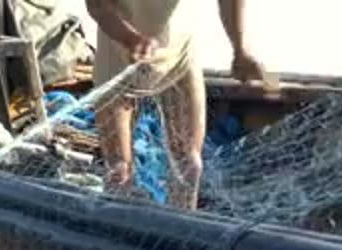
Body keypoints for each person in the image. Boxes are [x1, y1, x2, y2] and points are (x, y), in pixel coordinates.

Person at [84, 0, 267, 209]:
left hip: (180, 54)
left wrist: (240, 49)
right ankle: (118, 230)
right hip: (119, 53)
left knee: (188, 165)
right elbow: (97, 6)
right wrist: (130, 40)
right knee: (119, 170)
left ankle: (182, 229)